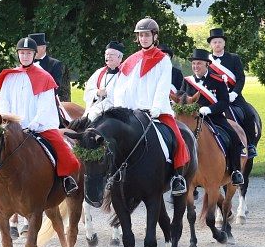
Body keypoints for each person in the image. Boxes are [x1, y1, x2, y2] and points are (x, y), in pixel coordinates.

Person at [108, 18, 190, 195]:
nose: (144, 39)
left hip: (156, 112)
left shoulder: (163, 61)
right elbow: (121, 88)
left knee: (177, 138)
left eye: (147, 35)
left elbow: (162, 87)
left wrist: (156, 108)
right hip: (131, 113)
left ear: (155, 36)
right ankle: (110, 175)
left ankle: (177, 177)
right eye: (141, 35)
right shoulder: (131, 60)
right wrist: (121, 110)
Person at [0, 37, 79, 194]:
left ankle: (66, 179)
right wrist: (7, 122)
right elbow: (3, 103)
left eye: (28, 53)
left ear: (34, 55)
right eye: (22, 53)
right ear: (18, 55)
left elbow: (45, 106)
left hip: (39, 126)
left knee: (62, 150)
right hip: (13, 128)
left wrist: (33, 125)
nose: (25, 56)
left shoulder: (45, 77)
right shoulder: (9, 76)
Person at [182, 48, 244, 185]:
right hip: (192, 119)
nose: (196, 66)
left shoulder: (217, 80)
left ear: (207, 65)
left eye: (199, 63)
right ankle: (178, 176)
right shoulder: (187, 81)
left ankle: (235, 171)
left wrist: (209, 109)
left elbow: (224, 102)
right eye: (194, 64)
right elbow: (182, 99)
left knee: (233, 137)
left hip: (214, 118)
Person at [206, 27, 255, 157]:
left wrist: (234, 93)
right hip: (215, 97)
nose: (217, 44)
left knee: (249, 115)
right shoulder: (206, 61)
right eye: (215, 42)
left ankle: (251, 145)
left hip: (234, 96)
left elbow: (240, 78)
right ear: (211, 44)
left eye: (220, 42)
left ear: (224, 43)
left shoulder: (234, 58)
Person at [83, 40, 123, 118]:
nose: (108, 56)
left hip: (114, 113)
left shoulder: (125, 74)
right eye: (107, 54)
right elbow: (87, 93)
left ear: (120, 57)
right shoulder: (99, 73)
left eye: (112, 54)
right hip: (95, 109)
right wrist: (97, 93)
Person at [30, 32, 70, 102]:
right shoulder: (26, 65)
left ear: (43, 48)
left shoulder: (55, 64)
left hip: (47, 101)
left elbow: (56, 87)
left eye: (34, 48)